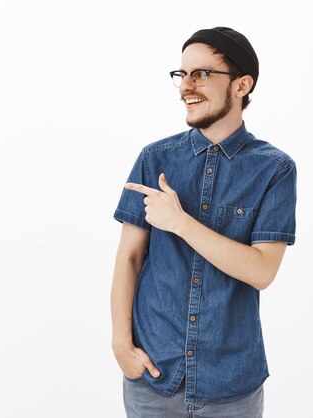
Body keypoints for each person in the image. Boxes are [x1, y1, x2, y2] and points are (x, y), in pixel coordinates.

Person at [111, 27, 297, 417]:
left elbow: (261, 271)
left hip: (232, 385)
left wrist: (180, 222)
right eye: (182, 74)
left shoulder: (274, 169)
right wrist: (121, 346)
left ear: (241, 85)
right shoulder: (154, 159)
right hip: (153, 377)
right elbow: (128, 258)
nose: (186, 86)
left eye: (202, 74)